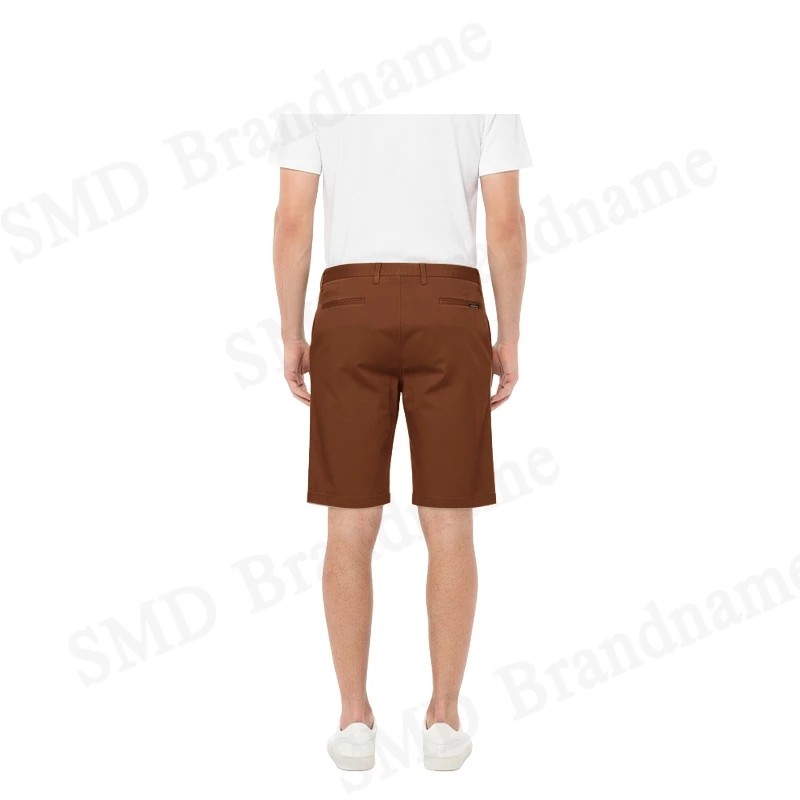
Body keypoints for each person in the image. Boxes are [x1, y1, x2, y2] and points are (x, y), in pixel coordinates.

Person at [269, 113, 530, 771]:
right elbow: (505, 225)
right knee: (450, 523)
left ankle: (354, 719)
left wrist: (292, 333)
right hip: (452, 308)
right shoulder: (492, 95)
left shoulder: (309, 93)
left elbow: (293, 221)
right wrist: (509, 335)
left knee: (348, 525)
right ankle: (444, 718)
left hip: (349, 307)